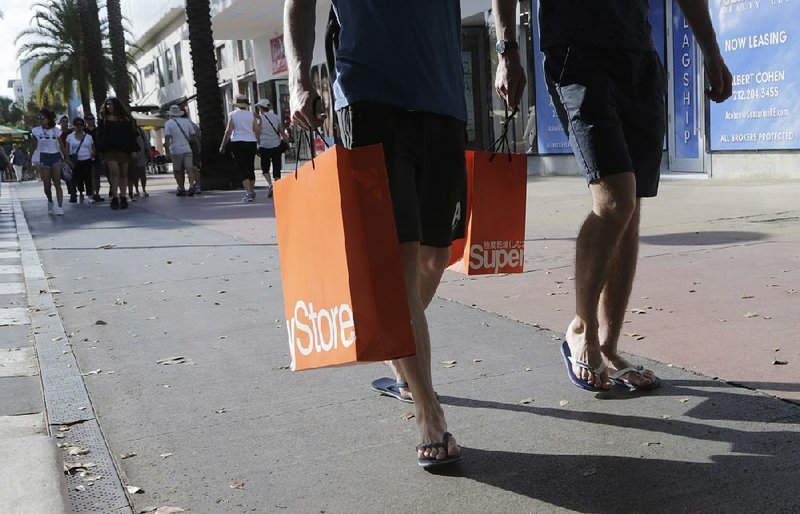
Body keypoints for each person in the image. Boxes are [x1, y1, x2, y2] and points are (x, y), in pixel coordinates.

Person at [286, 0, 524, 468]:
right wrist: (298, 80)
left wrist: (508, 49)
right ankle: (428, 412)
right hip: (368, 95)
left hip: (442, 100)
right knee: (402, 259)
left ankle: (396, 341)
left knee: (437, 257)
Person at [538, 1, 732, 391]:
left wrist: (710, 48)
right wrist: (507, 47)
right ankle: (582, 329)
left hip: (638, 57)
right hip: (577, 53)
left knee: (631, 205)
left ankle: (608, 345)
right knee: (615, 201)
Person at [95, 97, 139, 210]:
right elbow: (100, 136)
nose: (109, 107)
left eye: (111, 104)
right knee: (114, 172)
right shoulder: (103, 119)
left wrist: (134, 150)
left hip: (124, 150)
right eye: (107, 105)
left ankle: (123, 196)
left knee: (124, 173)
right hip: (110, 150)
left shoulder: (126, 119)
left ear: (117, 105)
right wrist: (100, 151)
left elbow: (132, 135)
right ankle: (115, 197)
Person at [219, 94, 259, 202]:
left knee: (242, 167)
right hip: (251, 142)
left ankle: (248, 192)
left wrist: (223, 145)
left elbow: (228, 131)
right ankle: (252, 190)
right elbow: (257, 129)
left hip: (237, 142)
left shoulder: (233, 114)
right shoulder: (251, 115)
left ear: (236, 104)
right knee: (250, 166)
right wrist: (258, 141)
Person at [30, 109, 66, 215]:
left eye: (42, 118)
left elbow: (62, 146)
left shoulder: (56, 130)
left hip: (55, 156)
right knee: (47, 185)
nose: (40, 120)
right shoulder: (35, 131)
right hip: (43, 157)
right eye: (39, 118)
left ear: (48, 119)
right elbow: (33, 145)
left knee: (57, 182)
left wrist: (67, 158)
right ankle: (50, 201)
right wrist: (31, 159)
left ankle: (59, 206)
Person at [255, 98, 290, 198]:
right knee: (276, 165)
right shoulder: (276, 117)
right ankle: (277, 186)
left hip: (264, 145)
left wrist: (257, 143)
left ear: (261, 108)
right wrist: (287, 144)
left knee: (265, 167)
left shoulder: (260, 119)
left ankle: (270, 185)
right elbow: (282, 132)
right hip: (276, 144)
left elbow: (258, 133)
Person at [164, 105, 200, 196]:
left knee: (177, 170)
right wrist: (199, 146)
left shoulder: (168, 123)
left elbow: (167, 138)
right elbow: (194, 135)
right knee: (189, 169)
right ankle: (192, 186)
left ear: (171, 114)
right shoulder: (187, 122)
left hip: (176, 150)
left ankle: (181, 188)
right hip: (187, 149)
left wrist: (167, 151)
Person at [65, 117, 95, 204]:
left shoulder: (88, 137)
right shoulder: (69, 137)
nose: (79, 126)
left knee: (88, 178)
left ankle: (90, 195)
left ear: (83, 126)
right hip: (75, 161)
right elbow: (67, 149)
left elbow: (93, 148)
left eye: (81, 124)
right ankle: (81, 193)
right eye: (77, 124)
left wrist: (93, 155)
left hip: (87, 159)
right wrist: (67, 159)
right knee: (78, 178)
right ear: (74, 126)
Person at [83, 113, 105, 203]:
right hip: (87, 155)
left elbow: (102, 142)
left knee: (97, 175)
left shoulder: (98, 130)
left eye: (92, 119)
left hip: (98, 155)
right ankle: (91, 193)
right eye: (88, 119)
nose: (91, 120)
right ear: (86, 120)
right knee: (90, 175)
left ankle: (97, 193)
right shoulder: (84, 131)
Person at [58, 115, 79, 203]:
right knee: (66, 176)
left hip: (73, 155)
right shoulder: (58, 133)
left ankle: (74, 193)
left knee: (73, 175)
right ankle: (72, 191)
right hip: (62, 157)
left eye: (66, 121)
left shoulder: (72, 132)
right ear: (60, 123)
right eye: (63, 121)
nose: (65, 123)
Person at [128, 123, 150, 199]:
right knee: (134, 173)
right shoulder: (127, 129)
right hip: (131, 154)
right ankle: (137, 189)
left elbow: (146, 141)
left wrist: (148, 150)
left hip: (141, 154)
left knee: (142, 172)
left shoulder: (141, 130)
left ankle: (144, 189)